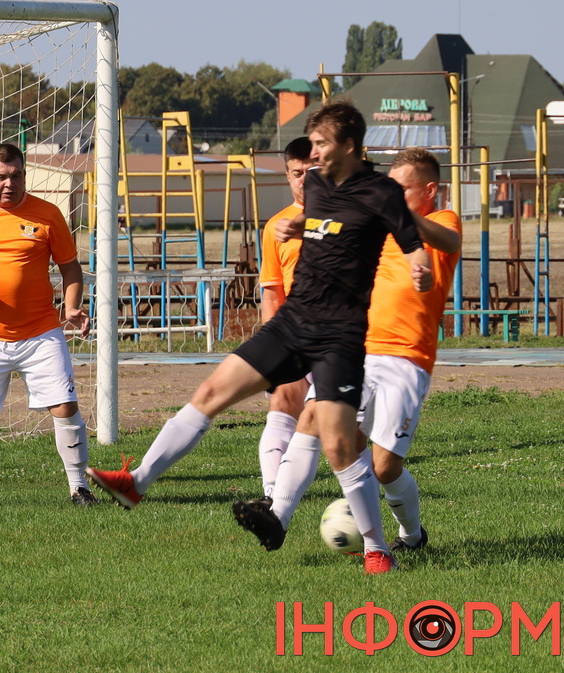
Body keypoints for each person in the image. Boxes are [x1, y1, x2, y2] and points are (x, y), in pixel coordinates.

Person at [88, 103, 432, 574]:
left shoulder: (381, 191)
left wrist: (420, 268)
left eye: (322, 143)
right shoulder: (316, 184)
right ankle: (136, 483)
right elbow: (326, 229)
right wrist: (297, 225)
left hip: (340, 336)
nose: (313, 153)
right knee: (211, 392)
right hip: (292, 323)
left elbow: (413, 244)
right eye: (311, 144)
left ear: (350, 146)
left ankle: (377, 550)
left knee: (338, 447)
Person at [232, 147, 461, 557]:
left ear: (429, 190)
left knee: (385, 467)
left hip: (405, 358)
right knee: (314, 420)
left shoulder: (442, 222)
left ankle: (412, 536)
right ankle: (277, 518)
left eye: (401, 190)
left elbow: (448, 240)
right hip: (355, 347)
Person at [0, 142, 96, 507]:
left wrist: (71, 306)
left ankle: (80, 489)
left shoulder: (48, 214)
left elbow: (70, 267)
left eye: (16, 176)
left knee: (66, 407)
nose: (9, 183)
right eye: (1, 177)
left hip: (41, 333)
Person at [256, 137, 313, 499]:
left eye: (312, 171)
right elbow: (273, 292)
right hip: (296, 336)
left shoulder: (350, 216)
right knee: (281, 405)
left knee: (341, 436)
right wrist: (271, 348)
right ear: (288, 176)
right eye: (297, 173)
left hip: (346, 340)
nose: (304, 180)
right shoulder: (276, 227)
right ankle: (272, 497)